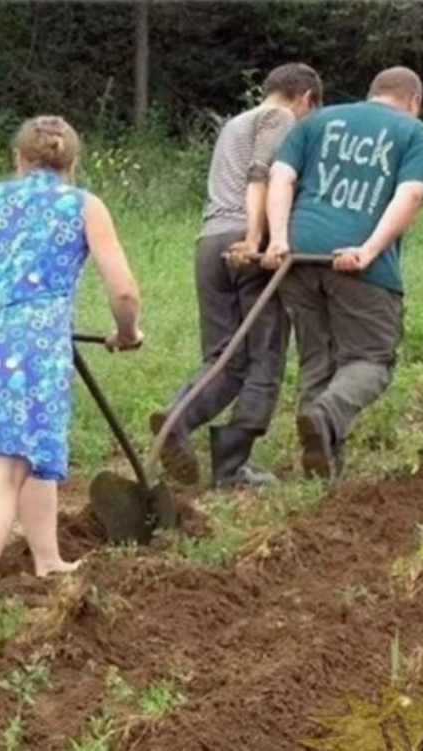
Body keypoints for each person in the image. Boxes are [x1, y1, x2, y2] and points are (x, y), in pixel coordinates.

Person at [0, 116, 143, 617]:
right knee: (4, 469)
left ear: (18, 159)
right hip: (30, 350)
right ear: (72, 163)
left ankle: (47, 559)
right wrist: (128, 333)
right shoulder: (83, 205)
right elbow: (124, 291)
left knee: (29, 448)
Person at [149, 63, 323, 489]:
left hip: (208, 241)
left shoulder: (234, 124)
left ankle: (177, 418)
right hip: (246, 243)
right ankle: (231, 467)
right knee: (264, 357)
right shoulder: (280, 118)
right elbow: (261, 176)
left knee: (223, 356)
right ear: (304, 98)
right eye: (312, 110)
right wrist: (255, 239)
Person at [264, 66, 423, 484]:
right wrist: (368, 250)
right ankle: (323, 418)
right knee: (372, 359)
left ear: (372, 93)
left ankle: (321, 475)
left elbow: (281, 176)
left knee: (317, 361)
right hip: (358, 264)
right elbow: (410, 192)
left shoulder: (318, 121)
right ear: (413, 101)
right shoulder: (415, 133)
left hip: (299, 257)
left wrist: (279, 239)